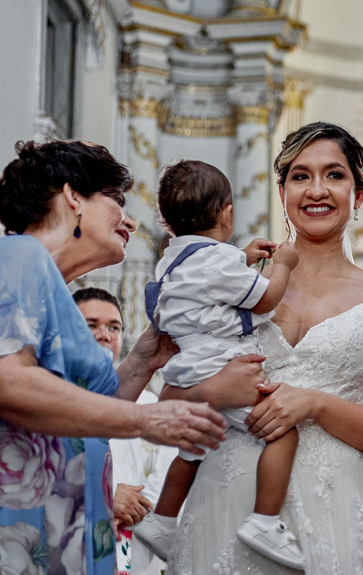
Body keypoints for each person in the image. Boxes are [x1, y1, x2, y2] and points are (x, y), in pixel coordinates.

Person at [168, 121, 363, 574]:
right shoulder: (231, 285)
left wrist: (314, 405)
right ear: (283, 190)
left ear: (359, 194)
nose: (316, 190)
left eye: (334, 174)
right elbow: (170, 397)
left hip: (336, 510)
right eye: (300, 176)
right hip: (227, 497)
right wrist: (217, 390)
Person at [0, 140, 226, 575]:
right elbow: (9, 380)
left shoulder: (55, 292)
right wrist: (147, 420)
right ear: (72, 197)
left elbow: (89, 415)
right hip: (18, 526)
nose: (131, 221)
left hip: (69, 526)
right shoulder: (19, 254)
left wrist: (144, 358)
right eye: (116, 201)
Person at [131, 160, 302, 569]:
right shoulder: (220, 264)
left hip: (188, 365)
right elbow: (264, 299)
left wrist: (241, 257)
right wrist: (283, 266)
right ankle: (265, 521)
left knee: (194, 448)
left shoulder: (172, 261)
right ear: (227, 213)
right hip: (223, 366)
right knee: (283, 430)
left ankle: (163, 521)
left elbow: (206, 284)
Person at [72, 286, 176, 575]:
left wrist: (131, 508)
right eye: (90, 325)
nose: (104, 334)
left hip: (137, 539)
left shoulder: (148, 402)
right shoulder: (49, 395)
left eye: (113, 327)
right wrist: (106, 498)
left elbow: (168, 474)